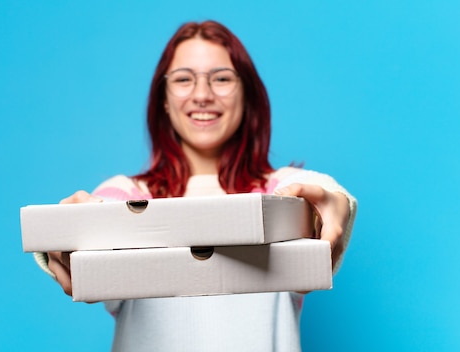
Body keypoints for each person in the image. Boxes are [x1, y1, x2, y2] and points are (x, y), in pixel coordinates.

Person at [34, 20, 357, 352]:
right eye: (184, 79)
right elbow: (93, 213)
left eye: (221, 79)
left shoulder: (276, 193)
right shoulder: (129, 195)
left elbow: (315, 191)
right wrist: (66, 237)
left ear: (246, 95)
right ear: (163, 99)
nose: (202, 95)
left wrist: (334, 205)